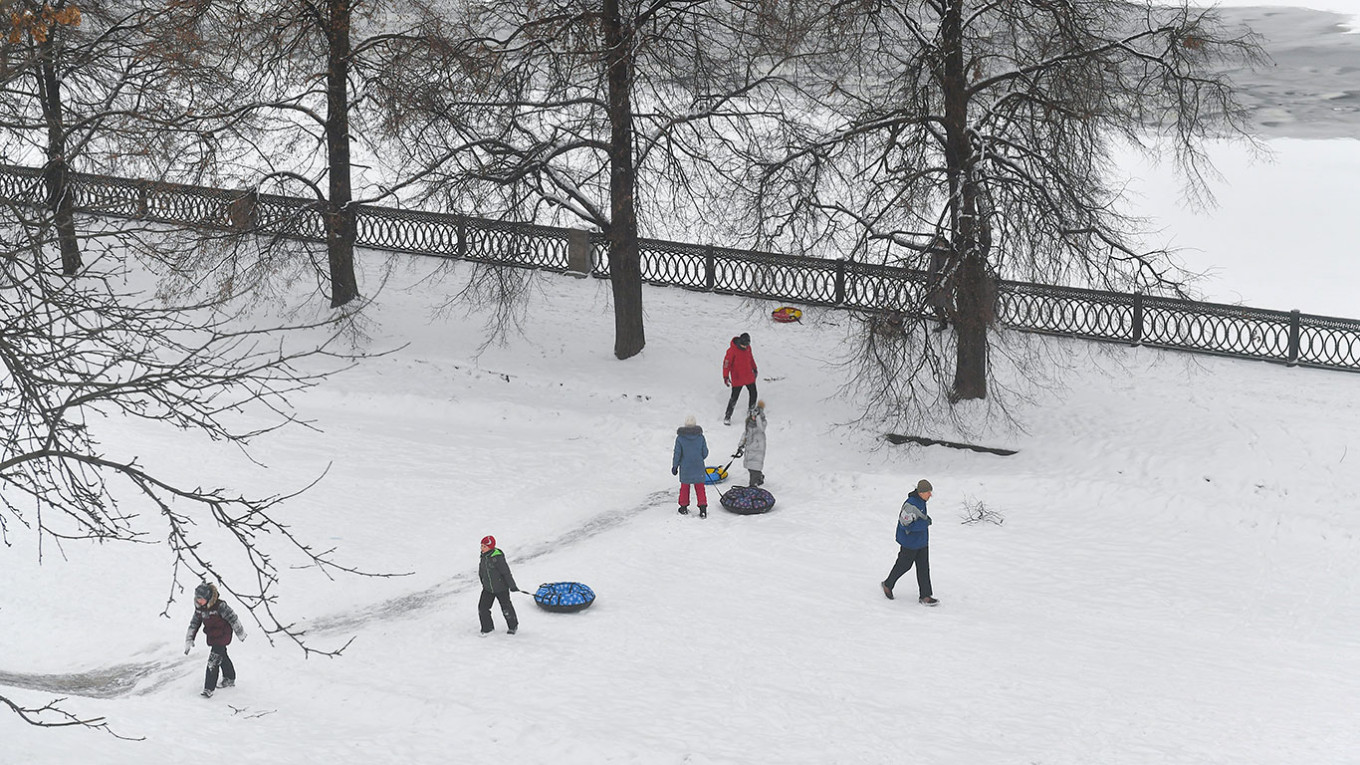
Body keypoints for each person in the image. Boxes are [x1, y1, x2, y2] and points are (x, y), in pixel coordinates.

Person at [881, 479, 940, 606]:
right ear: (921, 492)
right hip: (910, 542)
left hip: (921, 541)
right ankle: (888, 584)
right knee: (904, 565)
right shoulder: (910, 505)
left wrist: (925, 521)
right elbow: (905, 525)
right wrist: (924, 523)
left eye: (930, 492)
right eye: (928, 492)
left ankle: (925, 596)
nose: (930, 495)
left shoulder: (922, 501)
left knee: (923, 567)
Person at [184, 582, 247, 698]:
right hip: (212, 635)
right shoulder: (200, 609)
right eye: (197, 598)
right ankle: (229, 677)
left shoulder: (220, 606)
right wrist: (189, 639)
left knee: (213, 660)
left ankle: (209, 688)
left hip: (224, 634)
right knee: (222, 656)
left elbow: (233, 618)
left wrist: (240, 633)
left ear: (207, 597)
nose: (198, 601)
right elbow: (194, 623)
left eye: (201, 599)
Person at [478, 535, 520, 635]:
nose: (482, 548)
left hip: (501, 588)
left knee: (506, 608)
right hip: (488, 589)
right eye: (481, 546)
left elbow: (506, 573)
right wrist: (483, 582)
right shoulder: (484, 556)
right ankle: (487, 628)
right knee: (482, 608)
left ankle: (513, 626)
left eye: (484, 546)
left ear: (491, 547)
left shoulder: (497, 558)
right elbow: (482, 571)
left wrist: (512, 585)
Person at [672, 414, 710, 518]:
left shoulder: (680, 438)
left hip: (686, 467)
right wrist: (698, 458)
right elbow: (705, 453)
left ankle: (683, 507)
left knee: (684, 488)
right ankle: (703, 509)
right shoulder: (700, 437)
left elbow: (677, 454)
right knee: (700, 488)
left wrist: (675, 466)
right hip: (698, 466)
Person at [722, 333, 758, 425]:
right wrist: (726, 376)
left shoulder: (748, 348)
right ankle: (727, 416)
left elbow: (751, 359)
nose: (745, 347)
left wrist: (754, 368)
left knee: (753, 393)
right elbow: (726, 364)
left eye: (747, 345)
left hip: (749, 376)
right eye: (743, 345)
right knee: (734, 398)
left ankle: (751, 411)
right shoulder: (732, 351)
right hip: (737, 377)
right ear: (739, 343)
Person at [735, 400, 767, 487]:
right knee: (750, 467)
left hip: (758, 448)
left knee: (754, 467)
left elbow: (761, 429)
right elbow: (745, 434)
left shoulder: (762, 422)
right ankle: (759, 477)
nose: (753, 417)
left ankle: (753, 484)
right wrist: (741, 444)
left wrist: (758, 418)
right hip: (750, 448)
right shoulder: (749, 424)